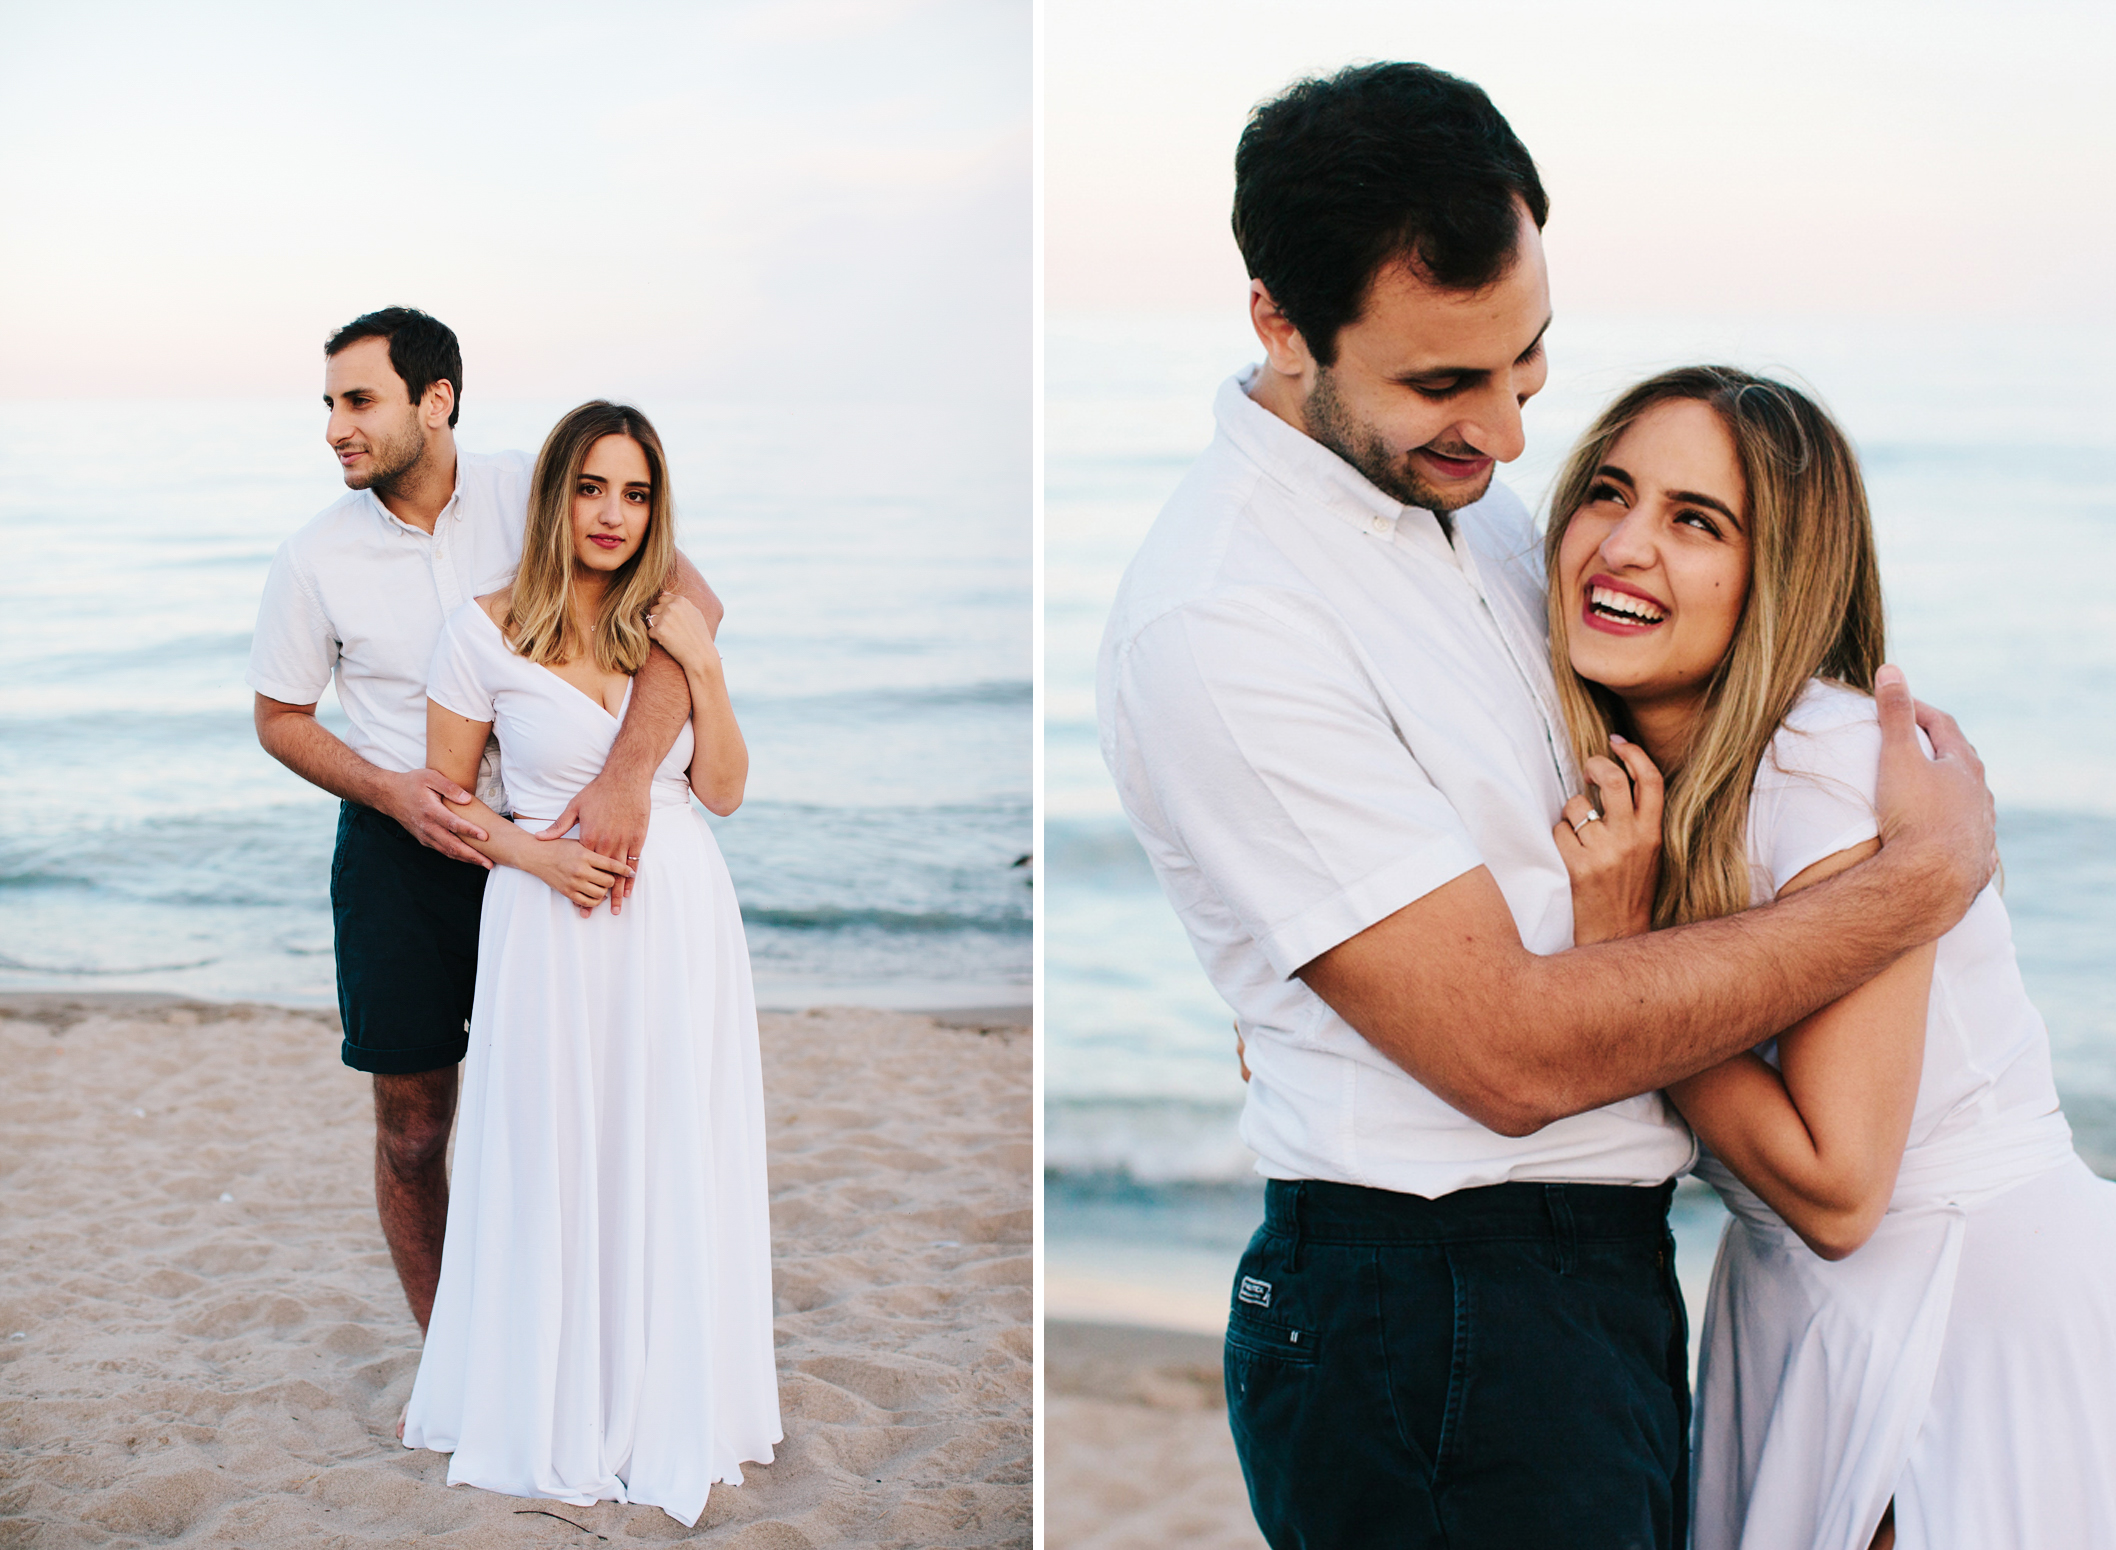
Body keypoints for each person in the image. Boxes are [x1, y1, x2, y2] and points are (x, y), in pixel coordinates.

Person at [1094, 63, 1995, 1548]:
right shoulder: (1223, 617)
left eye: (1528, 363)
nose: (1510, 434)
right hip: (1435, 1302)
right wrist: (1912, 885)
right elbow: (1507, 1053)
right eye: (1447, 383)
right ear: (1278, 321)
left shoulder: (1454, 488)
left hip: (1584, 1286)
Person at [1543, 366, 2116, 1550]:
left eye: (1695, 521)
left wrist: (1624, 957)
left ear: (1777, 577)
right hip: (1792, 1301)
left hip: (1963, 1297)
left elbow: (1838, 1183)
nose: (1624, 544)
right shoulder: (1642, 764)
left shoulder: (1829, 766)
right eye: (1609, 492)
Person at [247, 308, 722, 1350]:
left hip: (566, 838)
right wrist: (386, 790)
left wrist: (632, 775)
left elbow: (685, 598)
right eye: (328, 404)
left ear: (436, 400)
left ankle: (573, 1337)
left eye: (358, 400)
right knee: (415, 1130)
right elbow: (279, 718)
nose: (336, 425)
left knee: (564, 1113)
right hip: (401, 853)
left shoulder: (536, 489)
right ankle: (454, 1354)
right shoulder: (313, 557)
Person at [397, 399, 779, 1524]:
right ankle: (558, 1394)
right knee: (560, 1148)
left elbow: (722, 790)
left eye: (638, 492)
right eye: (593, 487)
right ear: (554, 494)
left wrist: (703, 667)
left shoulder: (667, 627)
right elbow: (444, 800)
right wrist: (537, 858)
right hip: (547, 928)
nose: (614, 513)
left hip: (681, 923)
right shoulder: (480, 631)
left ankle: (658, 1391)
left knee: (662, 1145)